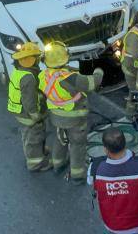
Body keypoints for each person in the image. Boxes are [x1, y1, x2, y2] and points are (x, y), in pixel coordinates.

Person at [88, 110, 138, 234]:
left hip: (112, 225)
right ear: (125, 145)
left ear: (106, 150)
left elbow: (90, 180)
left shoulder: (95, 168)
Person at [38, 41, 104, 184]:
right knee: (77, 145)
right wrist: (99, 71)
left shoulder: (43, 76)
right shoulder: (70, 78)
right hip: (75, 120)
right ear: (65, 59)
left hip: (56, 118)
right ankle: (77, 175)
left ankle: (58, 164)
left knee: (60, 140)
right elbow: (93, 83)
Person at [7, 41, 51, 172]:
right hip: (27, 113)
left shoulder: (19, 69)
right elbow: (29, 100)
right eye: (37, 57)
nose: (39, 59)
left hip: (19, 110)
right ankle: (35, 163)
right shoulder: (28, 78)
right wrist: (35, 115)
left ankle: (39, 151)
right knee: (34, 136)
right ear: (32, 60)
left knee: (29, 134)